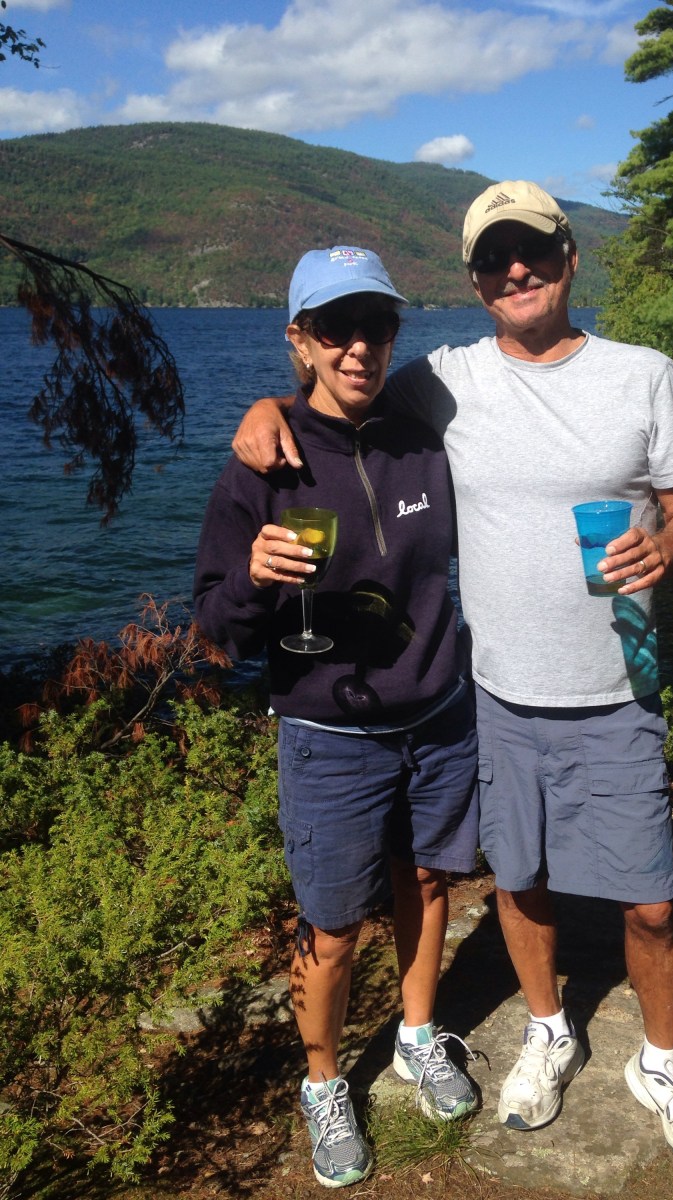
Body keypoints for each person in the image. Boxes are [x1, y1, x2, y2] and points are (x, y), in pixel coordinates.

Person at [231, 183, 673, 1183]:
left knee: (650, 902)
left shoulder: (645, 375)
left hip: (620, 683)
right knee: (520, 881)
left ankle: (664, 1065)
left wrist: (668, 550)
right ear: (473, 280)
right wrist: (263, 409)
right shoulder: (444, 380)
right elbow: (337, 398)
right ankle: (548, 1030)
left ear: (569, 258)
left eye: (535, 250)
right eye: (495, 258)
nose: (517, 270)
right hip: (496, 692)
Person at [194, 246, 480, 1189]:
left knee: (427, 881)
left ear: (394, 334)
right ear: (300, 339)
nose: (359, 345)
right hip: (328, 736)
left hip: (438, 714)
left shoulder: (424, 438)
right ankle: (322, 1083)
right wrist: (253, 578)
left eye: (377, 325)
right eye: (335, 327)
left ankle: (417, 1036)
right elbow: (216, 627)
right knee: (332, 923)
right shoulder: (261, 466)